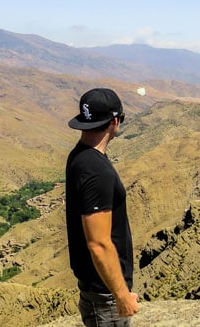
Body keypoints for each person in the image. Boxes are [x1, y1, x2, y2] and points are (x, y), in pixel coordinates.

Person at [65, 88, 139, 326]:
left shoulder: (80, 156)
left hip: (99, 290)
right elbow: (98, 244)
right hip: (105, 295)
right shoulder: (96, 171)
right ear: (114, 121)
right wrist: (121, 295)